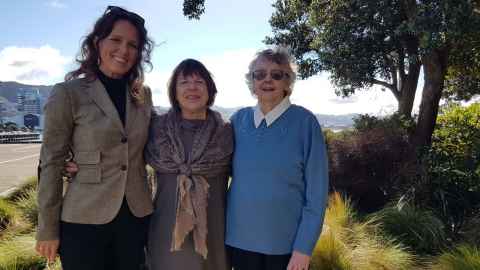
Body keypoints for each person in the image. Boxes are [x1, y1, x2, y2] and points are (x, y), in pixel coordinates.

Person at [35, 6, 154, 270]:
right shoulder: (68, 93)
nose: (124, 50)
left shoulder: (142, 95)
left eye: (133, 45)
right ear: (97, 42)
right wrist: (47, 229)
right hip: (83, 220)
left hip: (135, 220)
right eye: (116, 40)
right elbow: (51, 162)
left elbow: (154, 144)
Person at [226, 46, 329, 270]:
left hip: (286, 248)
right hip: (238, 243)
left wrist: (304, 248)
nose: (267, 80)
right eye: (259, 74)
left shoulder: (305, 123)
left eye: (277, 74)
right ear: (252, 82)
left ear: (287, 82)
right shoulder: (237, 121)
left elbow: (317, 194)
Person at [144, 58, 233, 270]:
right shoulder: (156, 130)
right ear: (174, 92)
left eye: (199, 82)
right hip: (167, 233)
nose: (192, 87)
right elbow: (122, 154)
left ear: (210, 90)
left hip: (214, 233)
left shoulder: (226, 133)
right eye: (184, 82)